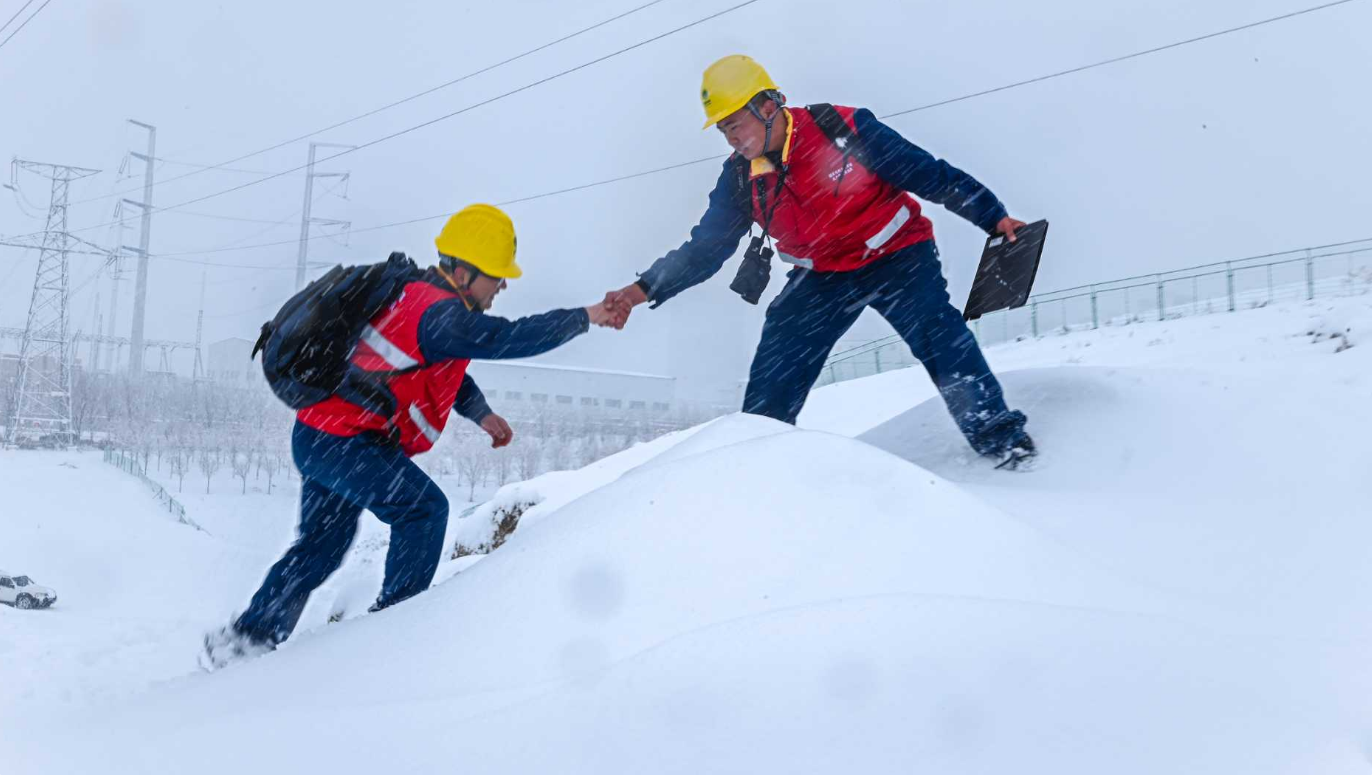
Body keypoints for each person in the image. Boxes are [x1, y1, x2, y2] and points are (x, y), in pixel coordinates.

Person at [202, 204, 625, 668]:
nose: (502, 286)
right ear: (463, 271)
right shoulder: (439, 314)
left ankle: (244, 640)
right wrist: (587, 315)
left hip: (321, 436)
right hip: (347, 444)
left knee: (321, 546)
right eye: (496, 276)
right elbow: (508, 338)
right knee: (424, 511)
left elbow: (437, 370)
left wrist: (481, 414)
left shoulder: (418, 301)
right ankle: (394, 631)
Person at [604, 55, 1035, 466]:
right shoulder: (740, 176)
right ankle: (754, 461)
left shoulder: (842, 128)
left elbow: (928, 173)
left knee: (939, 335)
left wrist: (992, 216)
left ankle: (1001, 441)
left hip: (897, 256)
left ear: (768, 106)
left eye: (735, 124)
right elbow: (706, 247)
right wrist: (642, 289)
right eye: (723, 131)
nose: (732, 138)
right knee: (779, 356)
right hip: (823, 276)